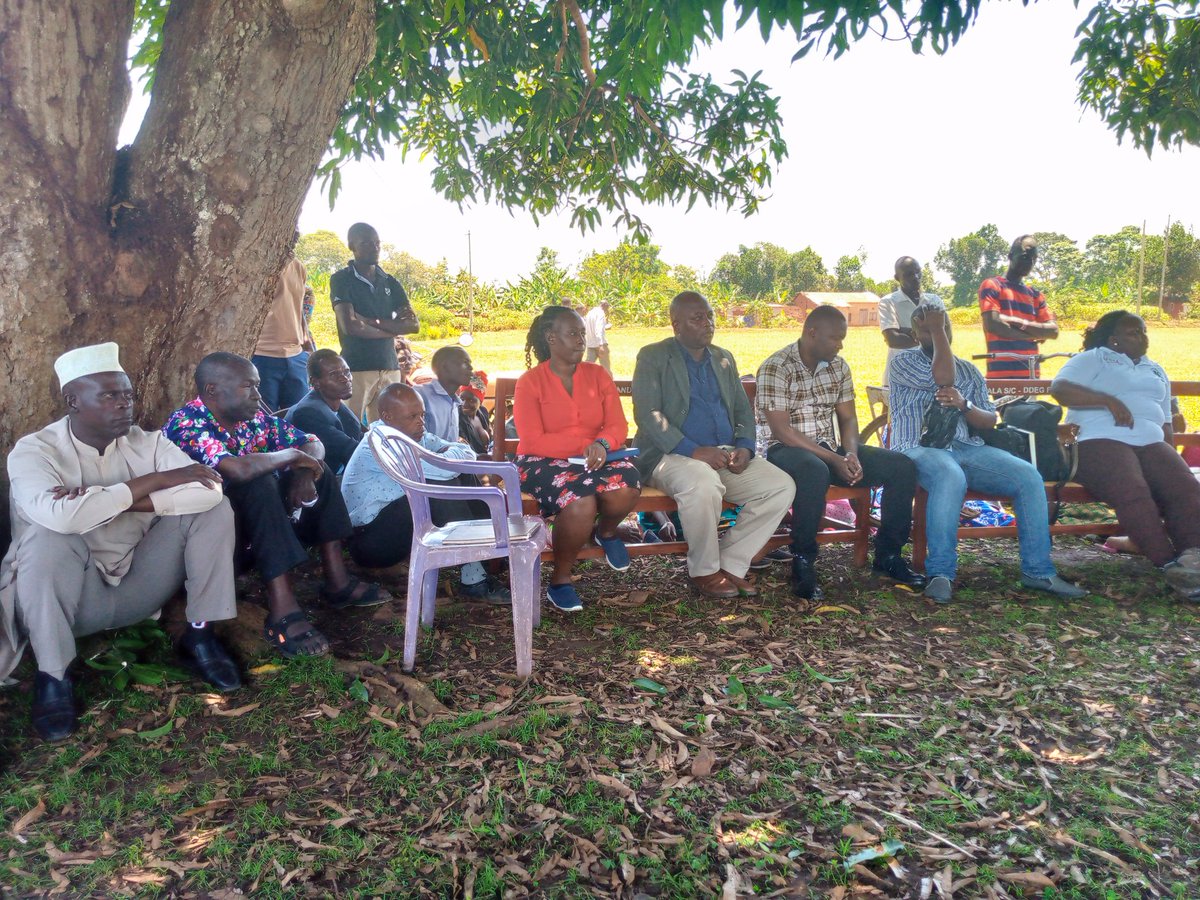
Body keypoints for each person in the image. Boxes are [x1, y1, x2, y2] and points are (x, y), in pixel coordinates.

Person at [1, 343, 241, 741]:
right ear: (73, 401)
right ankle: (53, 677)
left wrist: (114, 501)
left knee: (215, 511)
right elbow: (59, 516)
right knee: (47, 536)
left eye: (128, 394)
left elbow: (209, 491)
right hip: (70, 601)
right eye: (110, 395)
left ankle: (200, 636)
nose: (124, 405)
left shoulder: (148, 443)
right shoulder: (33, 451)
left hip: (140, 584)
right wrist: (159, 481)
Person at [164, 352, 391, 659]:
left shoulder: (252, 420)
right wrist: (293, 457)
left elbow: (311, 441)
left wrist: (303, 469)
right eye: (248, 386)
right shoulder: (188, 424)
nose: (258, 395)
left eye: (257, 386)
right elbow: (236, 470)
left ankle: (337, 582)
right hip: (214, 547)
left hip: (259, 529)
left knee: (318, 475)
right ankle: (282, 607)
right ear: (212, 391)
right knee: (257, 483)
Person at [888, 306, 1086, 603]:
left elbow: (989, 420)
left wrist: (964, 405)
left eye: (942, 326)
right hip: (918, 446)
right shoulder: (903, 362)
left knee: (1027, 476)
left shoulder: (969, 370)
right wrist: (937, 332)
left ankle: (1038, 571)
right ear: (916, 334)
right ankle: (940, 572)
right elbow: (943, 378)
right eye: (928, 329)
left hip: (967, 447)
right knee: (949, 475)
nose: (937, 333)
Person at [632, 292, 795, 598]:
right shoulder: (653, 356)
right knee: (703, 482)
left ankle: (731, 563)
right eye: (697, 318)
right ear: (676, 324)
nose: (707, 323)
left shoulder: (723, 358)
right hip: (669, 456)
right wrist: (693, 449)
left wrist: (745, 447)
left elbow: (741, 411)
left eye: (710, 316)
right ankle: (704, 571)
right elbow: (648, 414)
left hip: (723, 454)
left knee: (780, 486)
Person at [756, 305, 924, 599]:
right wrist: (835, 458)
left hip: (829, 449)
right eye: (835, 338)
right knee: (813, 470)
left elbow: (848, 418)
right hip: (784, 451)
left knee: (901, 466)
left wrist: (851, 454)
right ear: (812, 333)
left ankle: (888, 555)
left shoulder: (839, 366)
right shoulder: (776, 366)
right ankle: (803, 560)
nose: (840, 345)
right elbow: (782, 431)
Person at [1050, 311, 1200, 600]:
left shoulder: (1154, 369)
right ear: (1113, 340)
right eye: (1133, 332)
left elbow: (1166, 420)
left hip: (1151, 442)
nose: (1142, 337)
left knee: (1184, 487)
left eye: (1143, 331)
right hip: (1098, 440)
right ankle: (1168, 564)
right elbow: (1060, 389)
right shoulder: (1094, 358)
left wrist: (1170, 456)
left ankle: (1193, 558)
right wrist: (1107, 400)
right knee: (1133, 489)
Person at [514, 305, 641, 612]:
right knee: (581, 499)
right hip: (542, 461)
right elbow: (532, 439)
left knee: (628, 483)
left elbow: (617, 425)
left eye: (583, 333)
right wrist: (587, 445)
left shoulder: (597, 375)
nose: (581, 340)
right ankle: (560, 581)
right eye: (572, 333)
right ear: (551, 338)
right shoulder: (530, 382)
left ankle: (606, 532)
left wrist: (601, 443)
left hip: (595, 457)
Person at [341, 384, 510, 603]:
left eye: (422, 414)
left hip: (391, 524)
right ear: (387, 416)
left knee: (462, 477)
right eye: (412, 416)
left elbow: (464, 452)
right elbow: (446, 468)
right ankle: (474, 579)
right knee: (439, 492)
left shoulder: (410, 432)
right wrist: (451, 456)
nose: (421, 421)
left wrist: (453, 454)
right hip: (370, 543)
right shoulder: (384, 443)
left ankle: (484, 554)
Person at [329, 222, 419, 422]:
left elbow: (413, 325)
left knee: (390, 432)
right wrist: (392, 329)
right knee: (350, 428)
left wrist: (370, 321)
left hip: (390, 366)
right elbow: (350, 326)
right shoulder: (341, 280)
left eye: (377, 243)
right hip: (356, 368)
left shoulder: (389, 281)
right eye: (367, 243)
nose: (375, 248)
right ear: (352, 246)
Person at [978, 235, 1060, 379]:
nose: (1030, 262)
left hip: (1031, 374)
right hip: (1001, 374)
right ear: (1010, 256)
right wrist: (1034, 334)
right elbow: (993, 324)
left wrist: (1015, 322)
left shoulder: (1035, 295)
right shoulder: (993, 286)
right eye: (1024, 257)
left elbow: (1053, 331)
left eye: (1034, 259)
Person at [252, 231, 315, 412]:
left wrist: (307, 344)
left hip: (295, 355)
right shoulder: (257, 264)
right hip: (262, 353)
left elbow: (298, 307)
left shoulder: (298, 267)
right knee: (264, 419)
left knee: (297, 416)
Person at [285, 350, 363, 474]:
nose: (345, 379)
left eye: (347, 372)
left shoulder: (336, 404)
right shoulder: (308, 413)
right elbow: (350, 449)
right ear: (316, 383)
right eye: (334, 375)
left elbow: (361, 436)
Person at [878, 256, 944, 385]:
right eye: (909, 274)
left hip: (932, 376)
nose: (916, 277)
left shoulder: (934, 301)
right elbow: (893, 340)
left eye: (918, 272)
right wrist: (931, 335)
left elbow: (946, 338)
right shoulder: (888, 302)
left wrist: (906, 331)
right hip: (899, 377)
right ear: (897, 278)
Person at [416, 346, 474, 445]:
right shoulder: (419, 395)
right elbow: (416, 440)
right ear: (444, 366)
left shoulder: (455, 402)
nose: (471, 368)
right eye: (465, 362)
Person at [458, 373, 493, 456]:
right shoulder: (457, 417)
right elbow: (464, 449)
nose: (464, 404)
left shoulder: (483, 412)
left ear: (480, 402)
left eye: (471, 400)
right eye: (462, 399)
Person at [584, 300, 613, 373]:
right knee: (606, 368)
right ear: (605, 305)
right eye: (607, 307)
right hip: (600, 344)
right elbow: (598, 329)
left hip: (590, 343)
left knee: (587, 367)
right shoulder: (600, 313)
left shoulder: (590, 313)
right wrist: (601, 345)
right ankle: (609, 383)